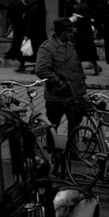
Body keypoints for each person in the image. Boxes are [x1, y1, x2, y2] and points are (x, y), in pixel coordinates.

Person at [36, 18, 87, 169]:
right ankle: (52, 153)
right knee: (53, 125)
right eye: (69, 32)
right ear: (61, 33)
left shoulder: (70, 46)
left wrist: (82, 88)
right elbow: (41, 70)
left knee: (75, 123)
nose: (71, 34)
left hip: (74, 94)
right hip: (56, 96)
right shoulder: (47, 48)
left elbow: (78, 68)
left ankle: (73, 152)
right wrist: (58, 82)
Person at [71, 0, 101, 74]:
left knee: (87, 51)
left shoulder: (84, 7)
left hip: (84, 33)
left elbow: (86, 20)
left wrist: (77, 19)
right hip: (81, 32)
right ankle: (81, 68)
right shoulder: (79, 6)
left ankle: (95, 66)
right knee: (81, 52)